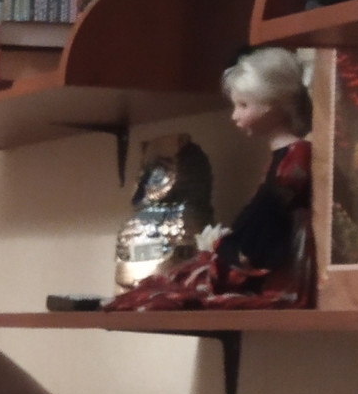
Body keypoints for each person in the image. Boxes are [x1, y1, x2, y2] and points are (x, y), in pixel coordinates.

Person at [112, 49, 315, 309]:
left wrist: (228, 246)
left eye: (243, 105)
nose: (235, 115)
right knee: (174, 281)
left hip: (277, 264)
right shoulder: (285, 155)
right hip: (264, 247)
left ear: (273, 104)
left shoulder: (296, 155)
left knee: (184, 285)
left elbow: (267, 218)